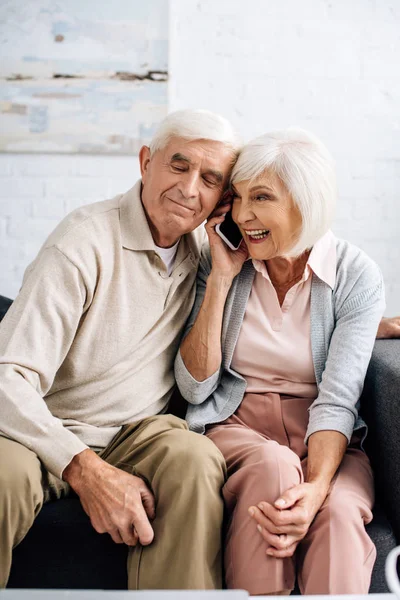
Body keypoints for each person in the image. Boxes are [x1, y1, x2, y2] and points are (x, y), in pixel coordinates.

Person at [0, 109, 242, 589]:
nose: (190, 188)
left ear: (221, 197)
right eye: (179, 165)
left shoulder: (208, 249)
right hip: (43, 432)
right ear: (145, 162)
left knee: (195, 461)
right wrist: (84, 469)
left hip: (138, 435)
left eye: (210, 179)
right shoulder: (82, 241)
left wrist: (355, 320)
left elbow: (285, 287)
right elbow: (8, 377)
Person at [176, 128, 386, 595]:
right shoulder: (221, 264)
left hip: (325, 434)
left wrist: (315, 490)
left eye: (262, 197)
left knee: (338, 511)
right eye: (240, 197)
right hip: (237, 426)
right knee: (273, 469)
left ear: (306, 203)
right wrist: (221, 282)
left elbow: (338, 400)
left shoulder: (355, 276)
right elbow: (193, 389)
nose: (245, 215)